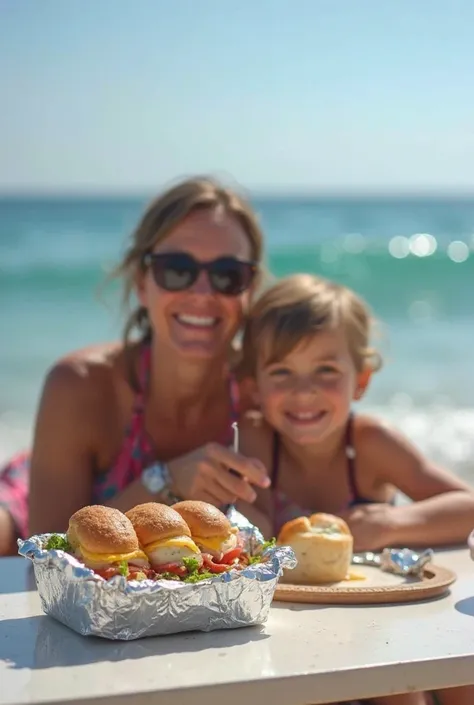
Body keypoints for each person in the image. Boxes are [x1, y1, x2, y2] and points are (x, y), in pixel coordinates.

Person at [235, 273, 474, 705]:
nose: (303, 392)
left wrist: (390, 523)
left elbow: (468, 506)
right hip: (296, 627)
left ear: (360, 380)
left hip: (382, 618)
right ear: (254, 387)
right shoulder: (255, 445)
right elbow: (250, 529)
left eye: (325, 370)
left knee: (431, 685)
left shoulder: (368, 443)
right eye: (282, 372)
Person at [0, 175, 270, 553]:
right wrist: (166, 481)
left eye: (228, 275)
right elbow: (47, 554)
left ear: (251, 289)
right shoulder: (81, 385)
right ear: (142, 282)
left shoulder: (268, 393)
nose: (202, 293)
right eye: (177, 269)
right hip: (34, 488)